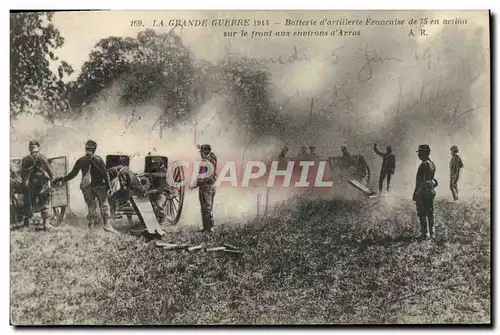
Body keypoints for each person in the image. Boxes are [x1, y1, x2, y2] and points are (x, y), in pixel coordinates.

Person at [54, 140, 116, 233]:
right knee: (104, 205)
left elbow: (72, 174)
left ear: (86, 149)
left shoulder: (81, 160)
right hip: (98, 186)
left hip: (86, 187)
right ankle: (107, 225)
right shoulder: (98, 159)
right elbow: (105, 173)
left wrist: (62, 179)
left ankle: (91, 227)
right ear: (94, 149)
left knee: (91, 206)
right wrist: (109, 187)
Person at [20, 140, 54, 229]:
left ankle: (26, 221)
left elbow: (22, 174)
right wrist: (51, 177)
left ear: (29, 148)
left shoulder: (26, 159)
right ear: (38, 148)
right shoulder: (42, 158)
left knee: (28, 201)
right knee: (46, 200)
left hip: (30, 185)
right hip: (41, 184)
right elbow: (50, 171)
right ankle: (46, 224)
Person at [108, 157, 147, 225]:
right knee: (125, 202)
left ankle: (112, 220)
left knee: (111, 199)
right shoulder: (127, 170)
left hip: (129, 192)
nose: (116, 166)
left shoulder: (122, 172)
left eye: (118, 165)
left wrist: (116, 192)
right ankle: (130, 220)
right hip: (136, 191)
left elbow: (124, 186)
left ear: (121, 164)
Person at [412, 144, 438, 240]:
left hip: (423, 191)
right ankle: (432, 232)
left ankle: (425, 233)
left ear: (425, 153)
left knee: (422, 213)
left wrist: (416, 193)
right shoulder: (432, 164)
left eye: (420, 152)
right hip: (430, 191)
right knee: (430, 212)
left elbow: (420, 181)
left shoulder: (423, 165)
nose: (419, 155)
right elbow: (432, 179)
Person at [190, 144, 217, 233]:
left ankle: (207, 229)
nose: (200, 154)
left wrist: (193, 186)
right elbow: (211, 153)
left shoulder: (204, 162)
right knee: (210, 207)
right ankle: (211, 226)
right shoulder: (213, 158)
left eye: (201, 152)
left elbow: (201, 178)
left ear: (204, 152)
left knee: (205, 208)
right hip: (213, 185)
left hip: (205, 187)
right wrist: (200, 146)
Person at [146, 156, 168, 224]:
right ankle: (154, 219)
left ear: (158, 163)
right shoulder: (155, 170)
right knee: (152, 205)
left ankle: (162, 219)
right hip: (154, 190)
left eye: (154, 164)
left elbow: (161, 175)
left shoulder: (164, 170)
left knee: (160, 205)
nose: (153, 166)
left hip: (162, 190)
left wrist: (149, 174)